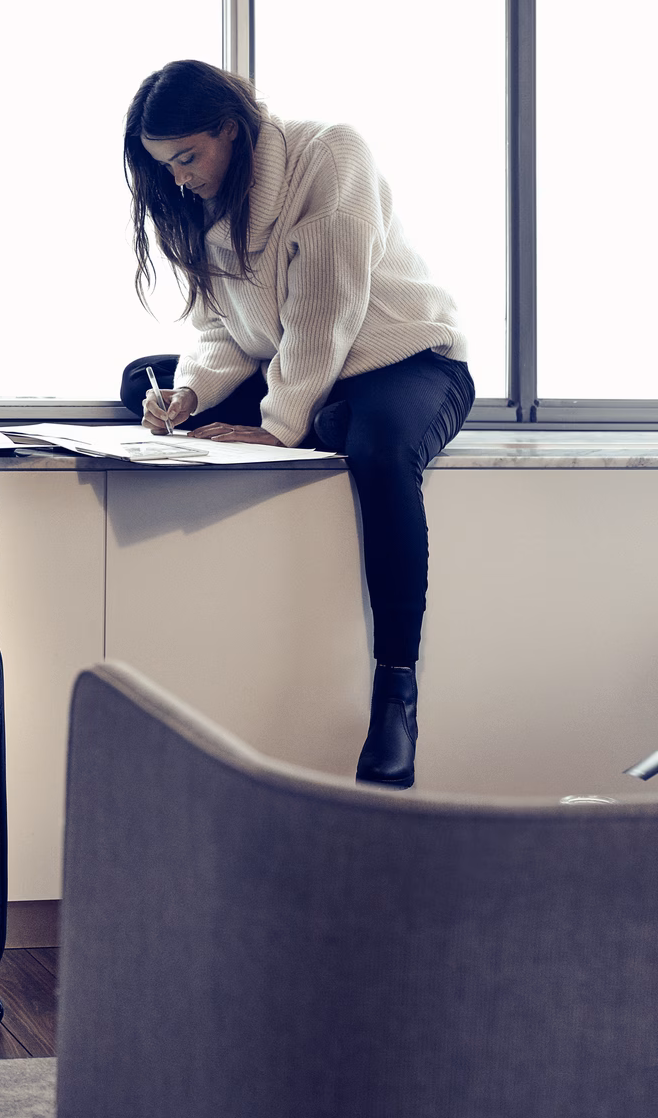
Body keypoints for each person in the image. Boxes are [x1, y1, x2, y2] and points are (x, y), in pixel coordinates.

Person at [121, 59, 475, 790]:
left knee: (378, 451)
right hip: (308, 369)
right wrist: (187, 395)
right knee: (140, 383)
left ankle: (396, 692)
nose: (180, 178)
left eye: (188, 157)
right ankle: (325, 419)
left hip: (402, 361)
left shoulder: (330, 156)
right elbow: (224, 332)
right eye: (166, 166)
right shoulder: (206, 205)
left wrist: (279, 425)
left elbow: (328, 310)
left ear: (231, 127)